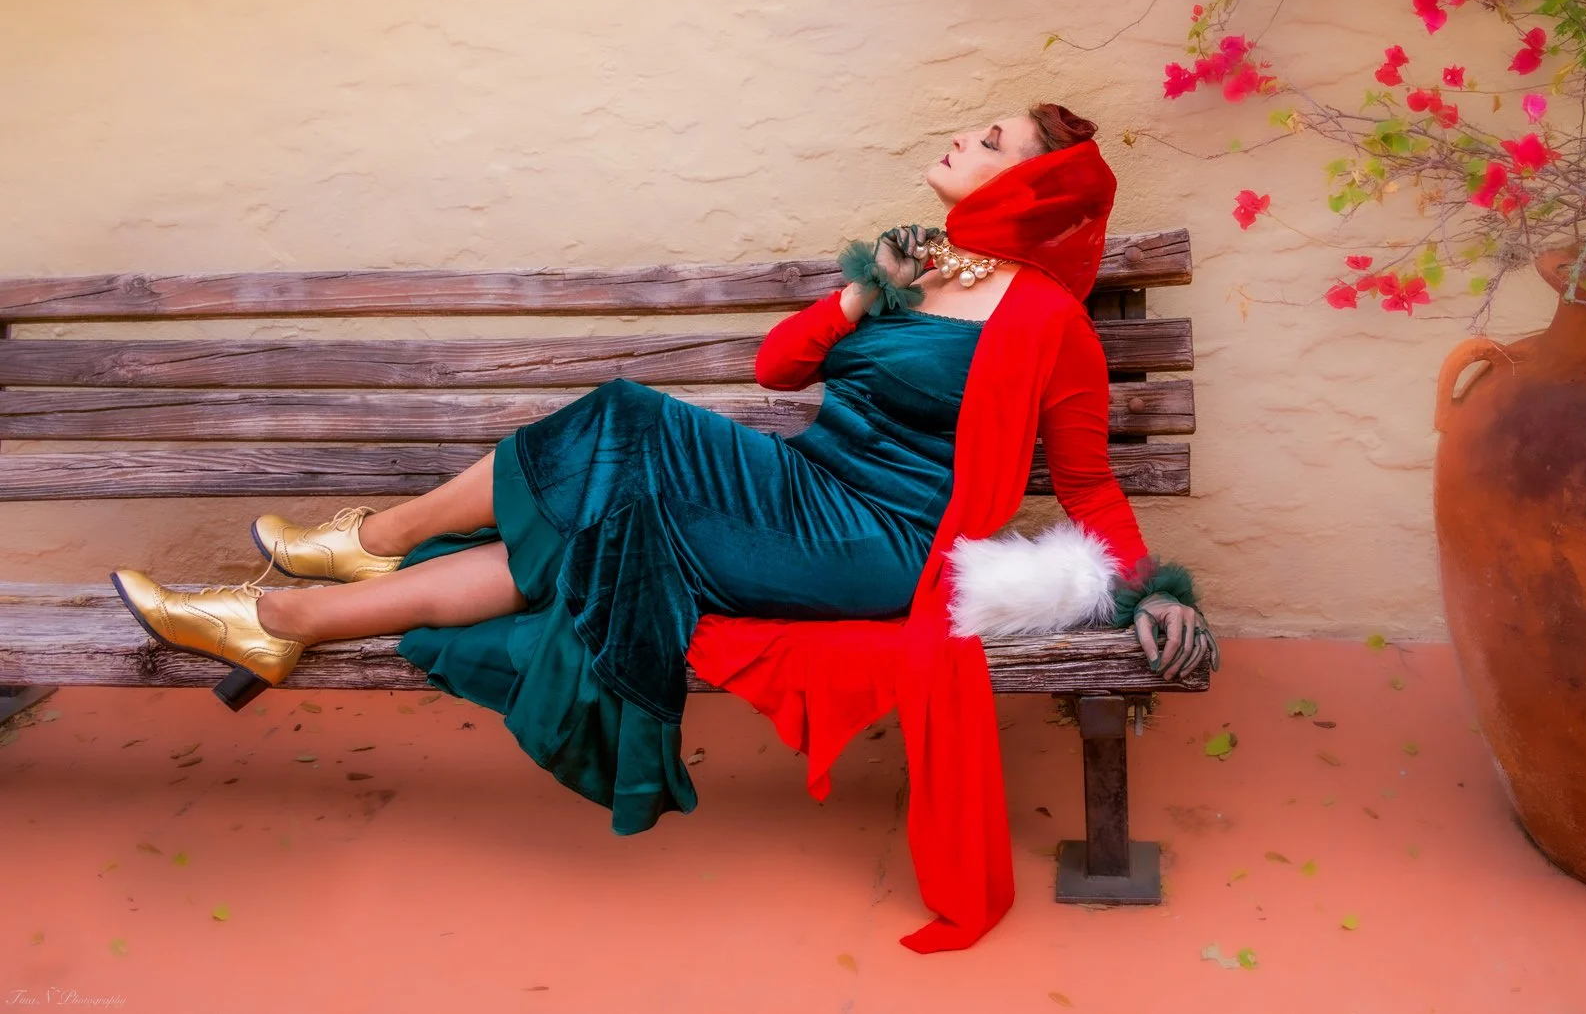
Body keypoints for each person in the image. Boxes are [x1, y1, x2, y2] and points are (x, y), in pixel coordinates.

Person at [107, 102, 1217, 951]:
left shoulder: (1048, 324)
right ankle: (285, 613)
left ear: (1027, 180)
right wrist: (860, 291)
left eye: (985, 139)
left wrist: (1152, 586)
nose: (955, 142)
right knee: (595, 522)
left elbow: (1084, 482)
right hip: (799, 491)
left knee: (624, 419)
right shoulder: (914, 272)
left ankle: (362, 538)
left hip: (877, 547)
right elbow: (776, 368)